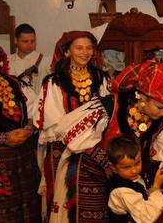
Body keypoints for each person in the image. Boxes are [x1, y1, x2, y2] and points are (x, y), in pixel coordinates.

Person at [50, 60, 163, 223]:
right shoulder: (110, 106)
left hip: (123, 179)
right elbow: (71, 136)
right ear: (143, 96)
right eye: (160, 107)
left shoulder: (162, 123)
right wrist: (107, 163)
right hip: (90, 176)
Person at [36, 31, 110, 221]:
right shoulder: (54, 82)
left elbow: (107, 113)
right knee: (65, 202)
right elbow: (54, 122)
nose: (85, 52)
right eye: (79, 48)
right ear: (67, 52)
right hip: (63, 149)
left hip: (94, 148)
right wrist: (77, 136)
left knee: (94, 201)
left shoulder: (102, 78)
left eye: (89, 48)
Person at [0, 40, 41, 222]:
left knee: (28, 205)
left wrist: (28, 129)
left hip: (23, 156)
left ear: (0, 60)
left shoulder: (15, 83)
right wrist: (4, 137)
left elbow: (35, 110)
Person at [107, 134, 163, 223]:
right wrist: (156, 187)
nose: (134, 170)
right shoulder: (120, 191)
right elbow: (146, 218)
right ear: (113, 167)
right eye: (126, 167)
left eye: (137, 163)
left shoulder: (142, 175)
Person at [8, 23, 51, 95]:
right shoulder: (7, 61)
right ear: (15, 40)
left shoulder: (45, 61)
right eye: (25, 41)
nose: (29, 44)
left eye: (32, 41)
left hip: (38, 103)